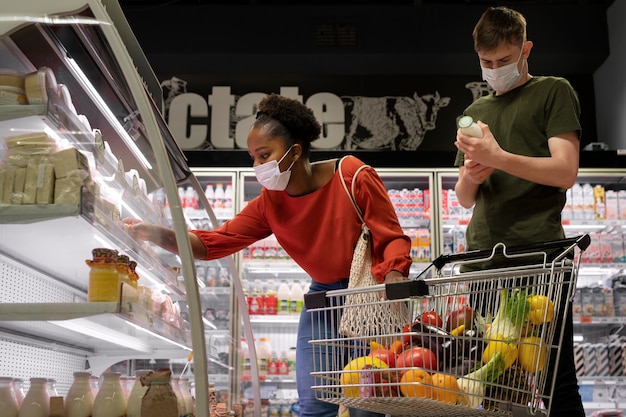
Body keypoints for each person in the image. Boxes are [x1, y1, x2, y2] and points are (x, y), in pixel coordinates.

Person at [124, 93, 412, 417]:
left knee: (367, 405)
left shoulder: (351, 175)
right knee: (315, 404)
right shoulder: (268, 204)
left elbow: (390, 236)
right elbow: (214, 241)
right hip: (322, 301)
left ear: (295, 152)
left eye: (265, 155)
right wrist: (154, 232)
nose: (258, 166)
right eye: (254, 158)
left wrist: (394, 276)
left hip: (367, 299)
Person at [453, 6, 584, 417]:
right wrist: (475, 173)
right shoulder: (478, 112)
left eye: (504, 61)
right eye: (486, 62)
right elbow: (463, 197)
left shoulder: (553, 91)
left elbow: (565, 171)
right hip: (481, 264)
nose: (494, 69)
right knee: (489, 386)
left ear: (525, 49)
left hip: (538, 261)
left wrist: (499, 156)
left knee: (552, 382)